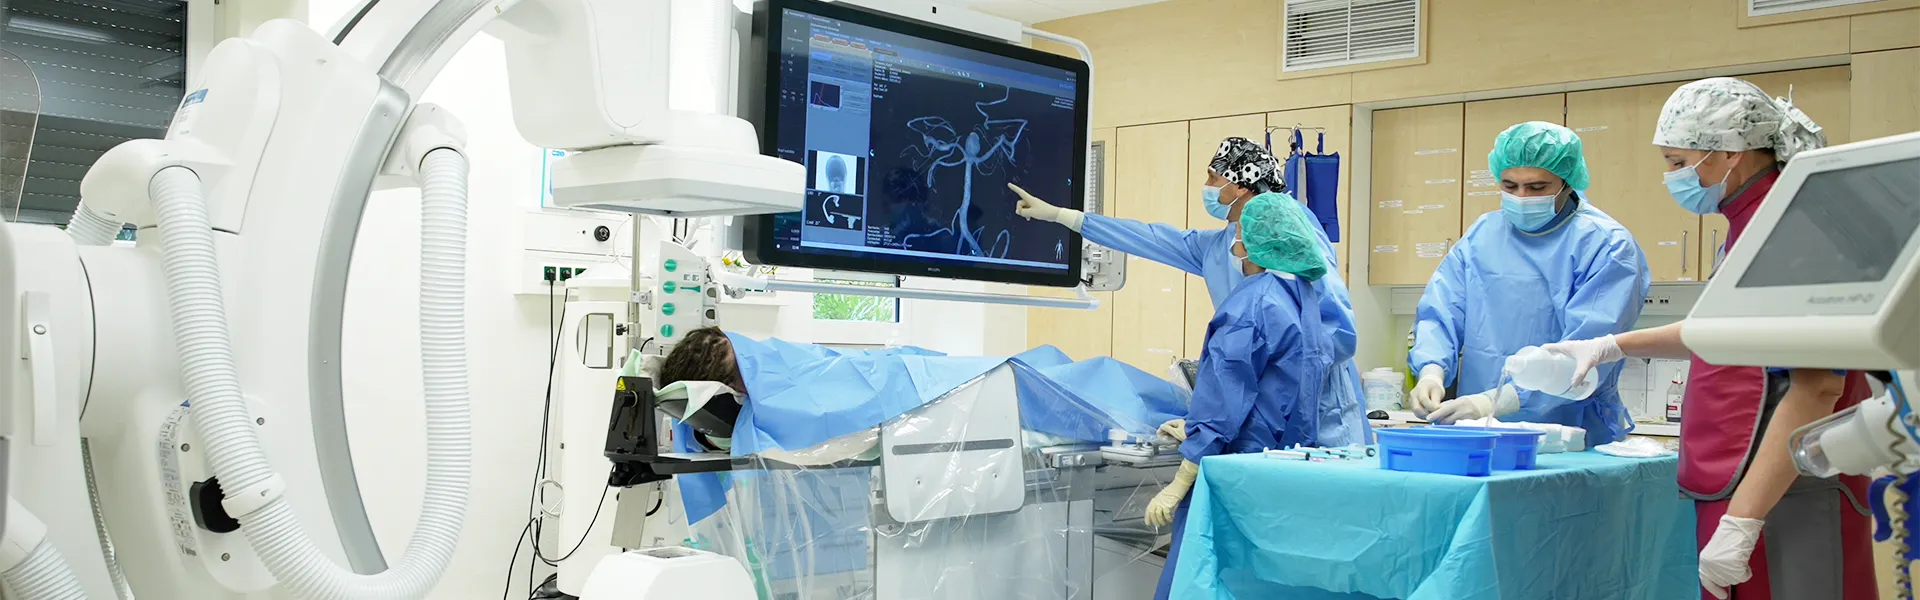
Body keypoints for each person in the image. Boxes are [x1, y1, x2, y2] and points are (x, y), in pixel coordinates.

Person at [1541, 77, 1873, 600]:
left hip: (1788, 489)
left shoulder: (1794, 229)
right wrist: (1611, 346)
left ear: (1729, 154)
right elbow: (1725, 333)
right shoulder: (1753, 224)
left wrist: (1744, 520)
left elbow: (1817, 387)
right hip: (1748, 483)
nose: (1672, 176)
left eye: (1678, 161)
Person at [1007, 136, 1367, 447]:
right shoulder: (1218, 247)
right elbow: (1150, 237)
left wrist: (1264, 384)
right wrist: (1063, 216)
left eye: (1214, 176)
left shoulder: (1292, 232)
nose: (1207, 186)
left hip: (1318, 407)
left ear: (1241, 185)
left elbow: (1337, 333)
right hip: (1252, 404)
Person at [1137, 191, 1338, 600]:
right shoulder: (1304, 298)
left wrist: (1183, 475)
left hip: (1235, 474)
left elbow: (1227, 393)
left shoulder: (1254, 303)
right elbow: (1278, 393)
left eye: (1242, 235)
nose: (1236, 244)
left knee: (1200, 578)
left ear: (1261, 243)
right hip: (1280, 472)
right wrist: (1195, 425)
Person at [1407, 121, 1650, 445]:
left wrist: (1494, 402)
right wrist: (1431, 371)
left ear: (1567, 183)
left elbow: (1586, 354)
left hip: (1571, 436)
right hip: (1479, 431)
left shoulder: (1606, 245)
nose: (1521, 197)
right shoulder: (1483, 235)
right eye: (1510, 186)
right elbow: (1442, 311)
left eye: (1537, 187)